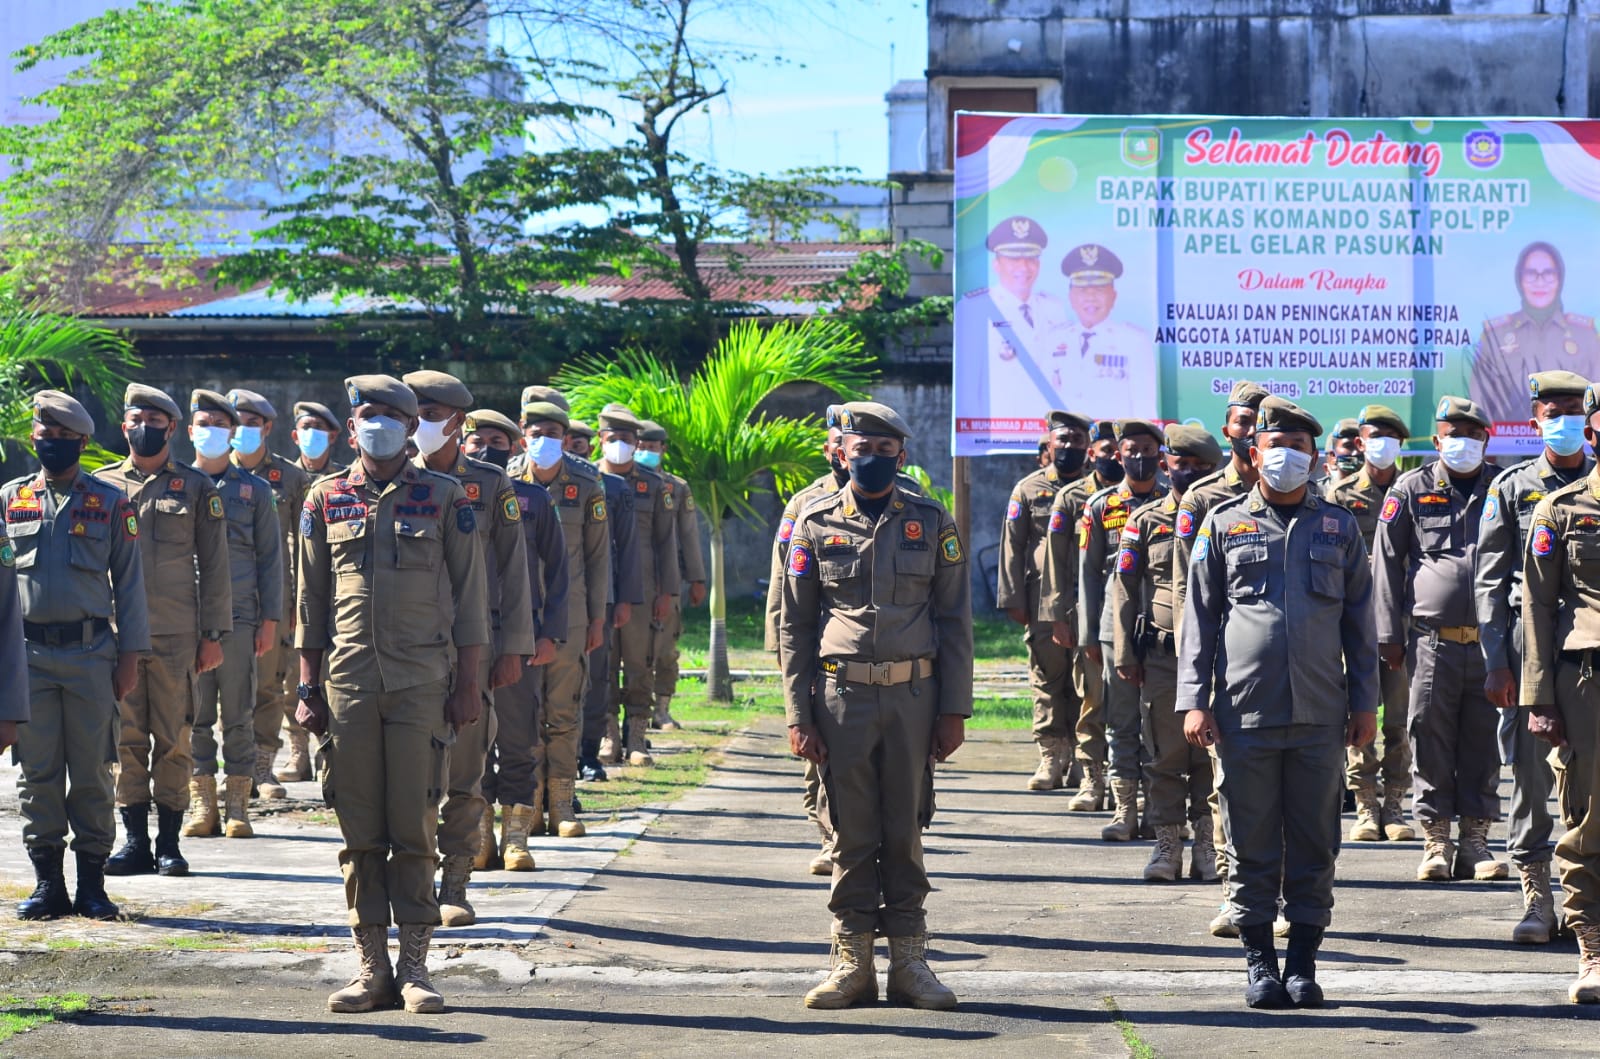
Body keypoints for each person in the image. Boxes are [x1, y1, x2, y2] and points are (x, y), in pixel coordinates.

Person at [297, 373, 488, 1015]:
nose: (375, 423)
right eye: (366, 414)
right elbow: (310, 600)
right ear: (352, 428)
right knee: (358, 831)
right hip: (347, 685)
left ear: (411, 428)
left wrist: (469, 684)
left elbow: (472, 602)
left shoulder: (445, 496)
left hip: (421, 685)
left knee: (413, 827)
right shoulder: (324, 497)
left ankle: (414, 970)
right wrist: (305, 685)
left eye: (389, 414)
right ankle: (370, 969)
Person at [1178, 396, 1377, 1010]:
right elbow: (1200, 618)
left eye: (1297, 447)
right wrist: (1194, 699)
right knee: (1250, 839)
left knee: (1316, 841)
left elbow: (1360, 624)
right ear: (1253, 453)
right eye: (1274, 447)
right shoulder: (1224, 522)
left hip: (1321, 714)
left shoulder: (1339, 526)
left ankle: (1303, 965)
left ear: (1314, 456)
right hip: (1244, 712)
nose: (1285, 457)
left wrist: (1366, 704)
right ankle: (1259, 963)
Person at [781, 401, 972, 1011]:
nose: (871, 460)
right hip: (841, 698)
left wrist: (954, 710)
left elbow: (954, 619)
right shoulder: (814, 523)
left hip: (915, 698)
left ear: (902, 456)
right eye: (861, 450)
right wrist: (797, 713)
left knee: (905, 829)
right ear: (842, 452)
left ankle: (911, 963)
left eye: (884, 451)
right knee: (850, 830)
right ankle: (851, 963)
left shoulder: (930, 519)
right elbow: (795, 625)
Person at [403, 370, 536, 925]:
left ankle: (455, 884)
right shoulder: (388, 479)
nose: (418, 425)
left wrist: (514, 649)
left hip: (470, 651)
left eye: (431, 415)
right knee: (409, 776)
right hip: (405, 650)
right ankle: (411, 884)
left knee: (464, 771)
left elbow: (514, 570)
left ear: (458, 422)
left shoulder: (489, 484)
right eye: (415, 414)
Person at [9, 390, 148, 922]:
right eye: (46, 436)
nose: (54, 445)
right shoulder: (10, 499)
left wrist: (131, 655)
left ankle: (92, 885)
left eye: (65, 438)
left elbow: (130, 585)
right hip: (27, 658)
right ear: (33, 439)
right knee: (36, 773)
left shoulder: (110, 502)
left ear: (83, 443)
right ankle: (48, 884)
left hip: (92, 654)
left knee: (93, 771)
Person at [97, 383, 232, 879]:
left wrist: (213, 632)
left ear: (172, 428)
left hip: (177, 635)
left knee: (174, 737)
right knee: (126, 739)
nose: (144, 429)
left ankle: (169, 843)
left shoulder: (197, 489)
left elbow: (216, 567)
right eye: (136, 420)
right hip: (116, 636)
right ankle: (134, 842)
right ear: (123, 425)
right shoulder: (104, 485)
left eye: (155, 422)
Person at [1475, 370, 1592, 944]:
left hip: (1589, 648)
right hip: (1529, 647)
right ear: (1535, 419)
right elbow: (1490, 582)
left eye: (1575, 409)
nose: (1565, 420)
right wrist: (1497, 661)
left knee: (1588, 778)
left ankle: (1582, 900)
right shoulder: (1513, 486)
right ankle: (1537, 896)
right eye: (1554, 411)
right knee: (1527, 771)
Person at [1373, 395, 1503, 883]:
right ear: (1437, 439)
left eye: (1472, 435)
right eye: (1453, 434)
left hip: (1493, 643)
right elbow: (1385, 562)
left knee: (1483, 740)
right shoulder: (1411, 488)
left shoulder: (1502, 487)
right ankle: (1436, 840)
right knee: (1428, 734)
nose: (1462, 443)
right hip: (1431, 642)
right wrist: (1388, 634)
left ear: (1486, 440)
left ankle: (1475, 841)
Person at [1173, 379, 1270, 935]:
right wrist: (1196, 686)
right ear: (1229, 428)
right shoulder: (1204, 499)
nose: (1251, 429)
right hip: (1228, 672)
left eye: (1261, 421)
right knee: (1230, 787)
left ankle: (1281, 892)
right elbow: (1195, 600)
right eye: (1241, 420)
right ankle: (1237, 892)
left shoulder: (1314, 493)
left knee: (1290, 794)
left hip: (1294, 674)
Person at [1112, 423, 1221, 882]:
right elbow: (1124, 587)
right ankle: (1167, 845)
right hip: (1161, 657)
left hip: (1216, 659)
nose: (1189, 473)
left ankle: (1208, 845)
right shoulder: (1146, 520)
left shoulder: (1224, 516)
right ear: (1166, 466)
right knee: (1164, 756)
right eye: (1181, 464)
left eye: (1200, 467)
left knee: (1209, 757)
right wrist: (1124, 652)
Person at [1520, 382, 1600, 1003]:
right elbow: (1538, 611)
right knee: (1588, 817)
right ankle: (1593, 949)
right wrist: (1540, 698)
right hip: (1587, 679)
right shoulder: (1563, 511)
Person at [462, 410, 567, 870]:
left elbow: (560, 572)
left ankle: (517, 834)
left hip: (516, 635)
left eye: (497, 441)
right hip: (462, 636)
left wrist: (550, 634)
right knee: (469, 740)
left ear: (514, 448)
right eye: (477, 439)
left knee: (519, 735)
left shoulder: (533, 500)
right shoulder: (447, 495)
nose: (487, 448)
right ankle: (477, 833)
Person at [184, 390, 282, 840]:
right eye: (203, 424)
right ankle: (202, 802)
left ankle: (238, 803)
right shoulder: (178, 485)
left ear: (234, 434)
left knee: (239, 711)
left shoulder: (255, 491)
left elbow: (270, 560)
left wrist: (270, 622)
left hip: (241, 619)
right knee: (194, 713)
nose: (212, 434)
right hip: (185, 620)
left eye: (220, 426)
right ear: (189, 432)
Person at [512, 394, 612, 827]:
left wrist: (596, 619)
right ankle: (530, 804)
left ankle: (562, 803)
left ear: (566, 439)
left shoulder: (588, 484)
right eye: (537, 435)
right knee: (524, 714)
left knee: (564, 710)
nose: (545, 442)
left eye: (553, 435)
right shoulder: (506, 481)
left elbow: (597, 557)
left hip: (570, 617)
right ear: (523, 439)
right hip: (519, 616)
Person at [1325, 404, 1416, 844]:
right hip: (1352, 623)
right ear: (1359, 443)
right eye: (1373, 436)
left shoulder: (1413, 491)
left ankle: (1395, 806)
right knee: (1358, 717)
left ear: (1401, 444)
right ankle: (1365, 806)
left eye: (1390, 436)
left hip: (1402, 623)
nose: (1381, 444)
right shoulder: (1339, 497)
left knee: (1399, 718)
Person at [1074, 420, 1168, 841]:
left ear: (1160, 454)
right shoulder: (1100, 506)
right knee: (1121, 718)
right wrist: (1088, 634)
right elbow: (1089, 573)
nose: (1138, 457)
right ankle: (1124, 808)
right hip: (1116, 628)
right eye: (1130, 449)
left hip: (1163, 627)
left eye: (1147, 448)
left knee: (1161, 723)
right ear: (1117, 454)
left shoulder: (1175, 503)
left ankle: (1156, 808)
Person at [224, 388, 311, 803]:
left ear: (268, 427)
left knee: (268, 686)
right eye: (235, 421)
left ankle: (262, 768)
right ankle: (229, 768)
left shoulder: (291, 478)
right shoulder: (207, 475)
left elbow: (306, 546)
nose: (243, 429)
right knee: (220, 689)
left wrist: (297, 603)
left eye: (251, 422)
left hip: (274, 600)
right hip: (223, 600)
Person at [998, 410, 1091, 792]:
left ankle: (1085, 761)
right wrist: (1012, 599)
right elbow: (1012, 546)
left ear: (1087, 446)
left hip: (1089, 600)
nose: (1069, 447)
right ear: (1049, 445)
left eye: (1076, 441)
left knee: (1086, 682)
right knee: (1047, 678)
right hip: (1041, 601)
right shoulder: (1028, 489)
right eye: (1062, 441)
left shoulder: (1099, 488)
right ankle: (1051, 756)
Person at [264, 398, 347, 790]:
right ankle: (296, 753)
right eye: (305, 429)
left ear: (335, 435)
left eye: (321, 428)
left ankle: (325, 750)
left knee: (328, 674)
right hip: (287, 590)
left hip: (330, 592)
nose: (312, 436)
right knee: (285, 676)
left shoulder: (347, 478)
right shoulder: (278, 477)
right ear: (294, 435)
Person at [1042, 418, 1124, 812]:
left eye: (1118, 449)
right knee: (1093, 698)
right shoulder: (1074, 499)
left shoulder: (1154, 497)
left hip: (1136, 619)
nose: (1115, 457)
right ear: (1093, 454)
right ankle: (1093, 780)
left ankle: (1131, 781)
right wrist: (1059, 614)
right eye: (1106, 451)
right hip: (1088, 614)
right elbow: (1058, 564)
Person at [595, 404, 679, 768]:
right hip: (599, 589)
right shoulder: (586, 480)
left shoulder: (654, 485)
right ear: (601, 440)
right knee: (603, 664)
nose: (620, 446)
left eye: (626, 439)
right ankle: (609, 733)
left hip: (643, 592)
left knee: (639, 662)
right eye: (613, 439)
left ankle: (637, 736)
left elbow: (666, 542)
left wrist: (667, 593)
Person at [955, 215, 1071, 429]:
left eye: (1031, 258)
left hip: (1049, 426)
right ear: (997, 264)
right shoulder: (975, 307)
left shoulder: (1053, 307)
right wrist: (972, 428)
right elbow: (968, 383)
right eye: (1014, 259)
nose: (1024, 267)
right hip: (999, 427)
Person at [1471, 241, 1600, 429]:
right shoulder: (1495, 335)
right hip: (1506, 448)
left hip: (1573, 441)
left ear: (1560, 278)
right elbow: (1480, 402)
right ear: (1519, 280)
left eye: (1548, 273)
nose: (1540, 281)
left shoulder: (1586, 334)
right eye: (1531, 274)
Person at [636, 420, 707, 731]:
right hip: (631, 578)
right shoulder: (614, 481)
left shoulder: (675, 488)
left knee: (666, 648)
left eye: (651, 448)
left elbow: (688, 535)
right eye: (640, 447)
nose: (644, 453)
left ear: (662, 450)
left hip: (667, 579)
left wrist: (697, 578)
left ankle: (661, 709)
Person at [1056, 244, 1158, 418]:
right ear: (1071, 297)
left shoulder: (1133, 341)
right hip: (1066, 441)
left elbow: (1144, 406)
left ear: (1113, 296)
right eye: (1082, 289)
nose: (1090, 297)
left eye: (1099, 289)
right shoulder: (1054, 339)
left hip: (1112, 442)